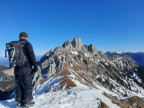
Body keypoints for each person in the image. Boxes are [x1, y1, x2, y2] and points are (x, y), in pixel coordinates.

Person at [14, 32, 38, 107]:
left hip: (16, 68)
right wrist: (35, 65)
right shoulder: (27, 44)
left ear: (19, 37)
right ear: (26, 37)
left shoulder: (15, 44)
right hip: (26, 68)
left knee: (19, 85)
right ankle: (27, 102)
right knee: (27, 85)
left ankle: (18, 102)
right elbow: (31, 55)